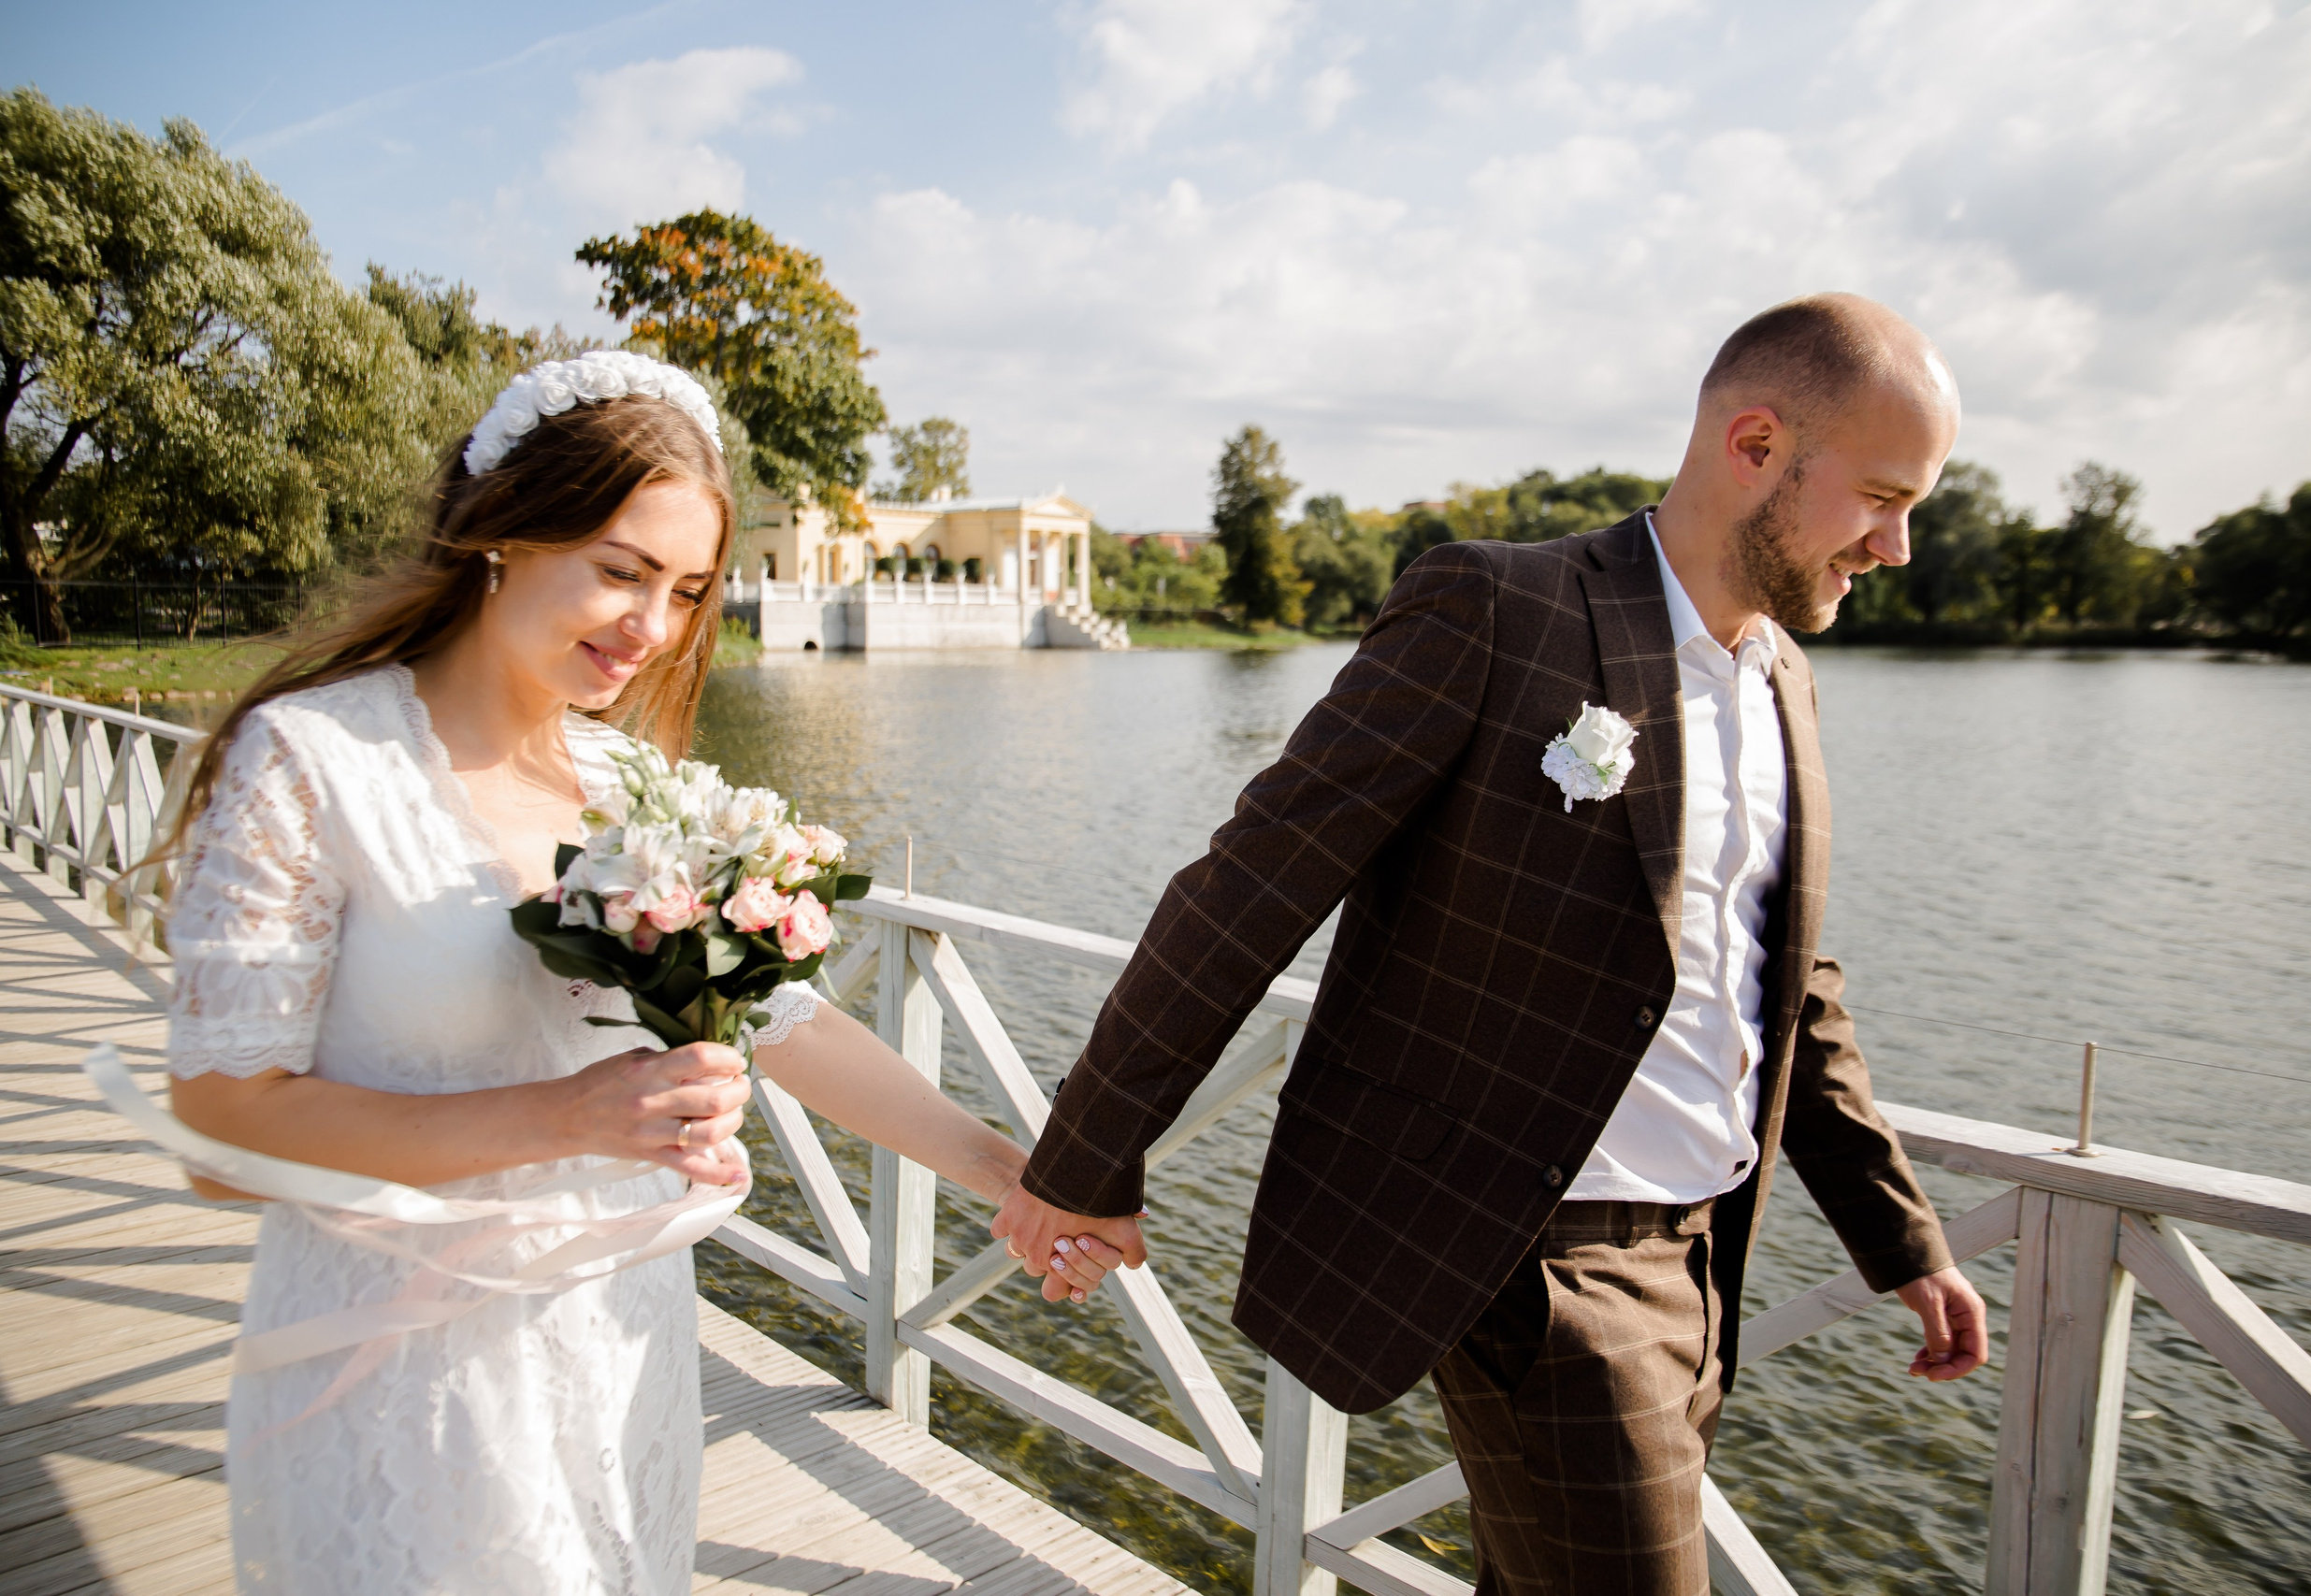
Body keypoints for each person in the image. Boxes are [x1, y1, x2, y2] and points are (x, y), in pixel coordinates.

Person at [993, 295, 1990, 1594]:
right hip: (1535, 1261)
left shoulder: (1782, 683)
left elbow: (1789, 986)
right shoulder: (1501, 608)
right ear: (1755, 446)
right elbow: (1252, 887)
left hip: (1699, 1263)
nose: (1900, 545)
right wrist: (1086, 1157)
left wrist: (1902, 1239)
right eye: (1881, 496)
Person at [159, 351, 1122, 1596]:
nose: (652, 629)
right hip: (402, 1374)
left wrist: (1013, 1172)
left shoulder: (627, 785)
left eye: (684, 590)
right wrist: (568, 1116)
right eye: (619, 572)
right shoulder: (312, 761)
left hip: (618, 1344)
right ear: (501, 533)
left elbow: (791, 1024)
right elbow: (219, 1130)